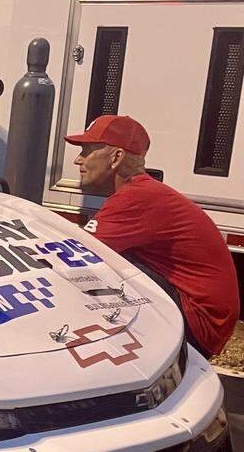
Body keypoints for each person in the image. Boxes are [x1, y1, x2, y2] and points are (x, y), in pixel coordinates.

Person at [67, 114, 239, 357]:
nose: (78, 160)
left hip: (199, 325)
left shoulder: (136, 197)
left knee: (88, 271)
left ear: (116, 157)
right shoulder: (144, 191)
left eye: (87, 150)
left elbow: (72, 254)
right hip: (206, 320)